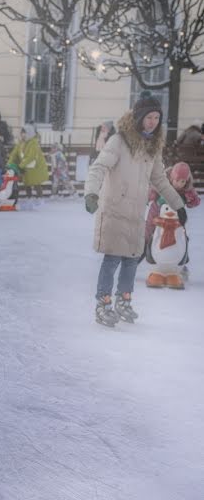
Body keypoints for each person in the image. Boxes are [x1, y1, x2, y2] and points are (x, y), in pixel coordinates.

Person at [84, 93, 187, 327]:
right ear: (139, 116)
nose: (153, 122)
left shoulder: (153, 147)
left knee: (131, 260)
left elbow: (160, 180)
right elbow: (98, 168)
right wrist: (91, 193)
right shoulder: (119, 141)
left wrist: (178, 205)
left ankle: (124, 300)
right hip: (113, 210)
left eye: (156, 117)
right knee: (112, 259)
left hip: (135, 214)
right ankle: (103, 303)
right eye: (149, 117)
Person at [143, 161, 200, 281]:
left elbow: (195, 201)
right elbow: (152, 190)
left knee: (182, 240)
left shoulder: (187, 190)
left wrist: (189, 198)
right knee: (148, 236)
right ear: (171, 178)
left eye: (183, 181)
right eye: (177, 180)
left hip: (177, 221)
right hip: (156, 214)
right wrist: (149, 197)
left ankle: (181, 264)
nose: (179, 184)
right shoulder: (164, 183)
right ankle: (142, 257)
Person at [7, 123, 49, 204]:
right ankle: (29, 198)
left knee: (36, 183)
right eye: (22, 133)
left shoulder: (33, 143)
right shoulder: (21, 143)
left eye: (24, 133)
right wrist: (9, 163)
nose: (23, 135)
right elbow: (14, 154)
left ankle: (40, 199)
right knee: (27, 183)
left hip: (35, 167)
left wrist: (20, 166)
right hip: (26, 167)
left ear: (29, 133)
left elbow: (31, 156)